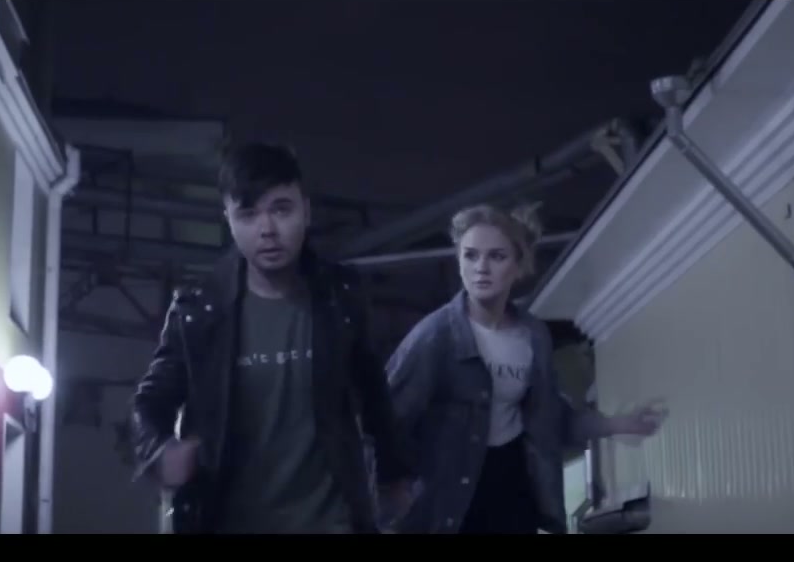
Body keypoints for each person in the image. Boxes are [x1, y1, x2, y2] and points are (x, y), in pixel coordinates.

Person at [129, 141, 416, 534]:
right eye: (248, 214)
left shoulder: (340, 297)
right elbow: (150, 401)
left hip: (329, 521)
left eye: (281, 209)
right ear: (228, 220)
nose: (267, 230)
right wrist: (160, 450)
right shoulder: (199, 310)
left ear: (305, 211)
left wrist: (394, 474)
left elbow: (374, 393)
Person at [384, 203, 667, 534]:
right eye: (470, 256)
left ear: (518, 265)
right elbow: (385, 419)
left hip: (513, 483)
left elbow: (550, 417)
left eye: (496, 256)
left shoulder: (533, 335)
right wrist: (393, 488)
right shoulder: (435, 336)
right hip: (449, 498)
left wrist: (619, 424)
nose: (481, 268)